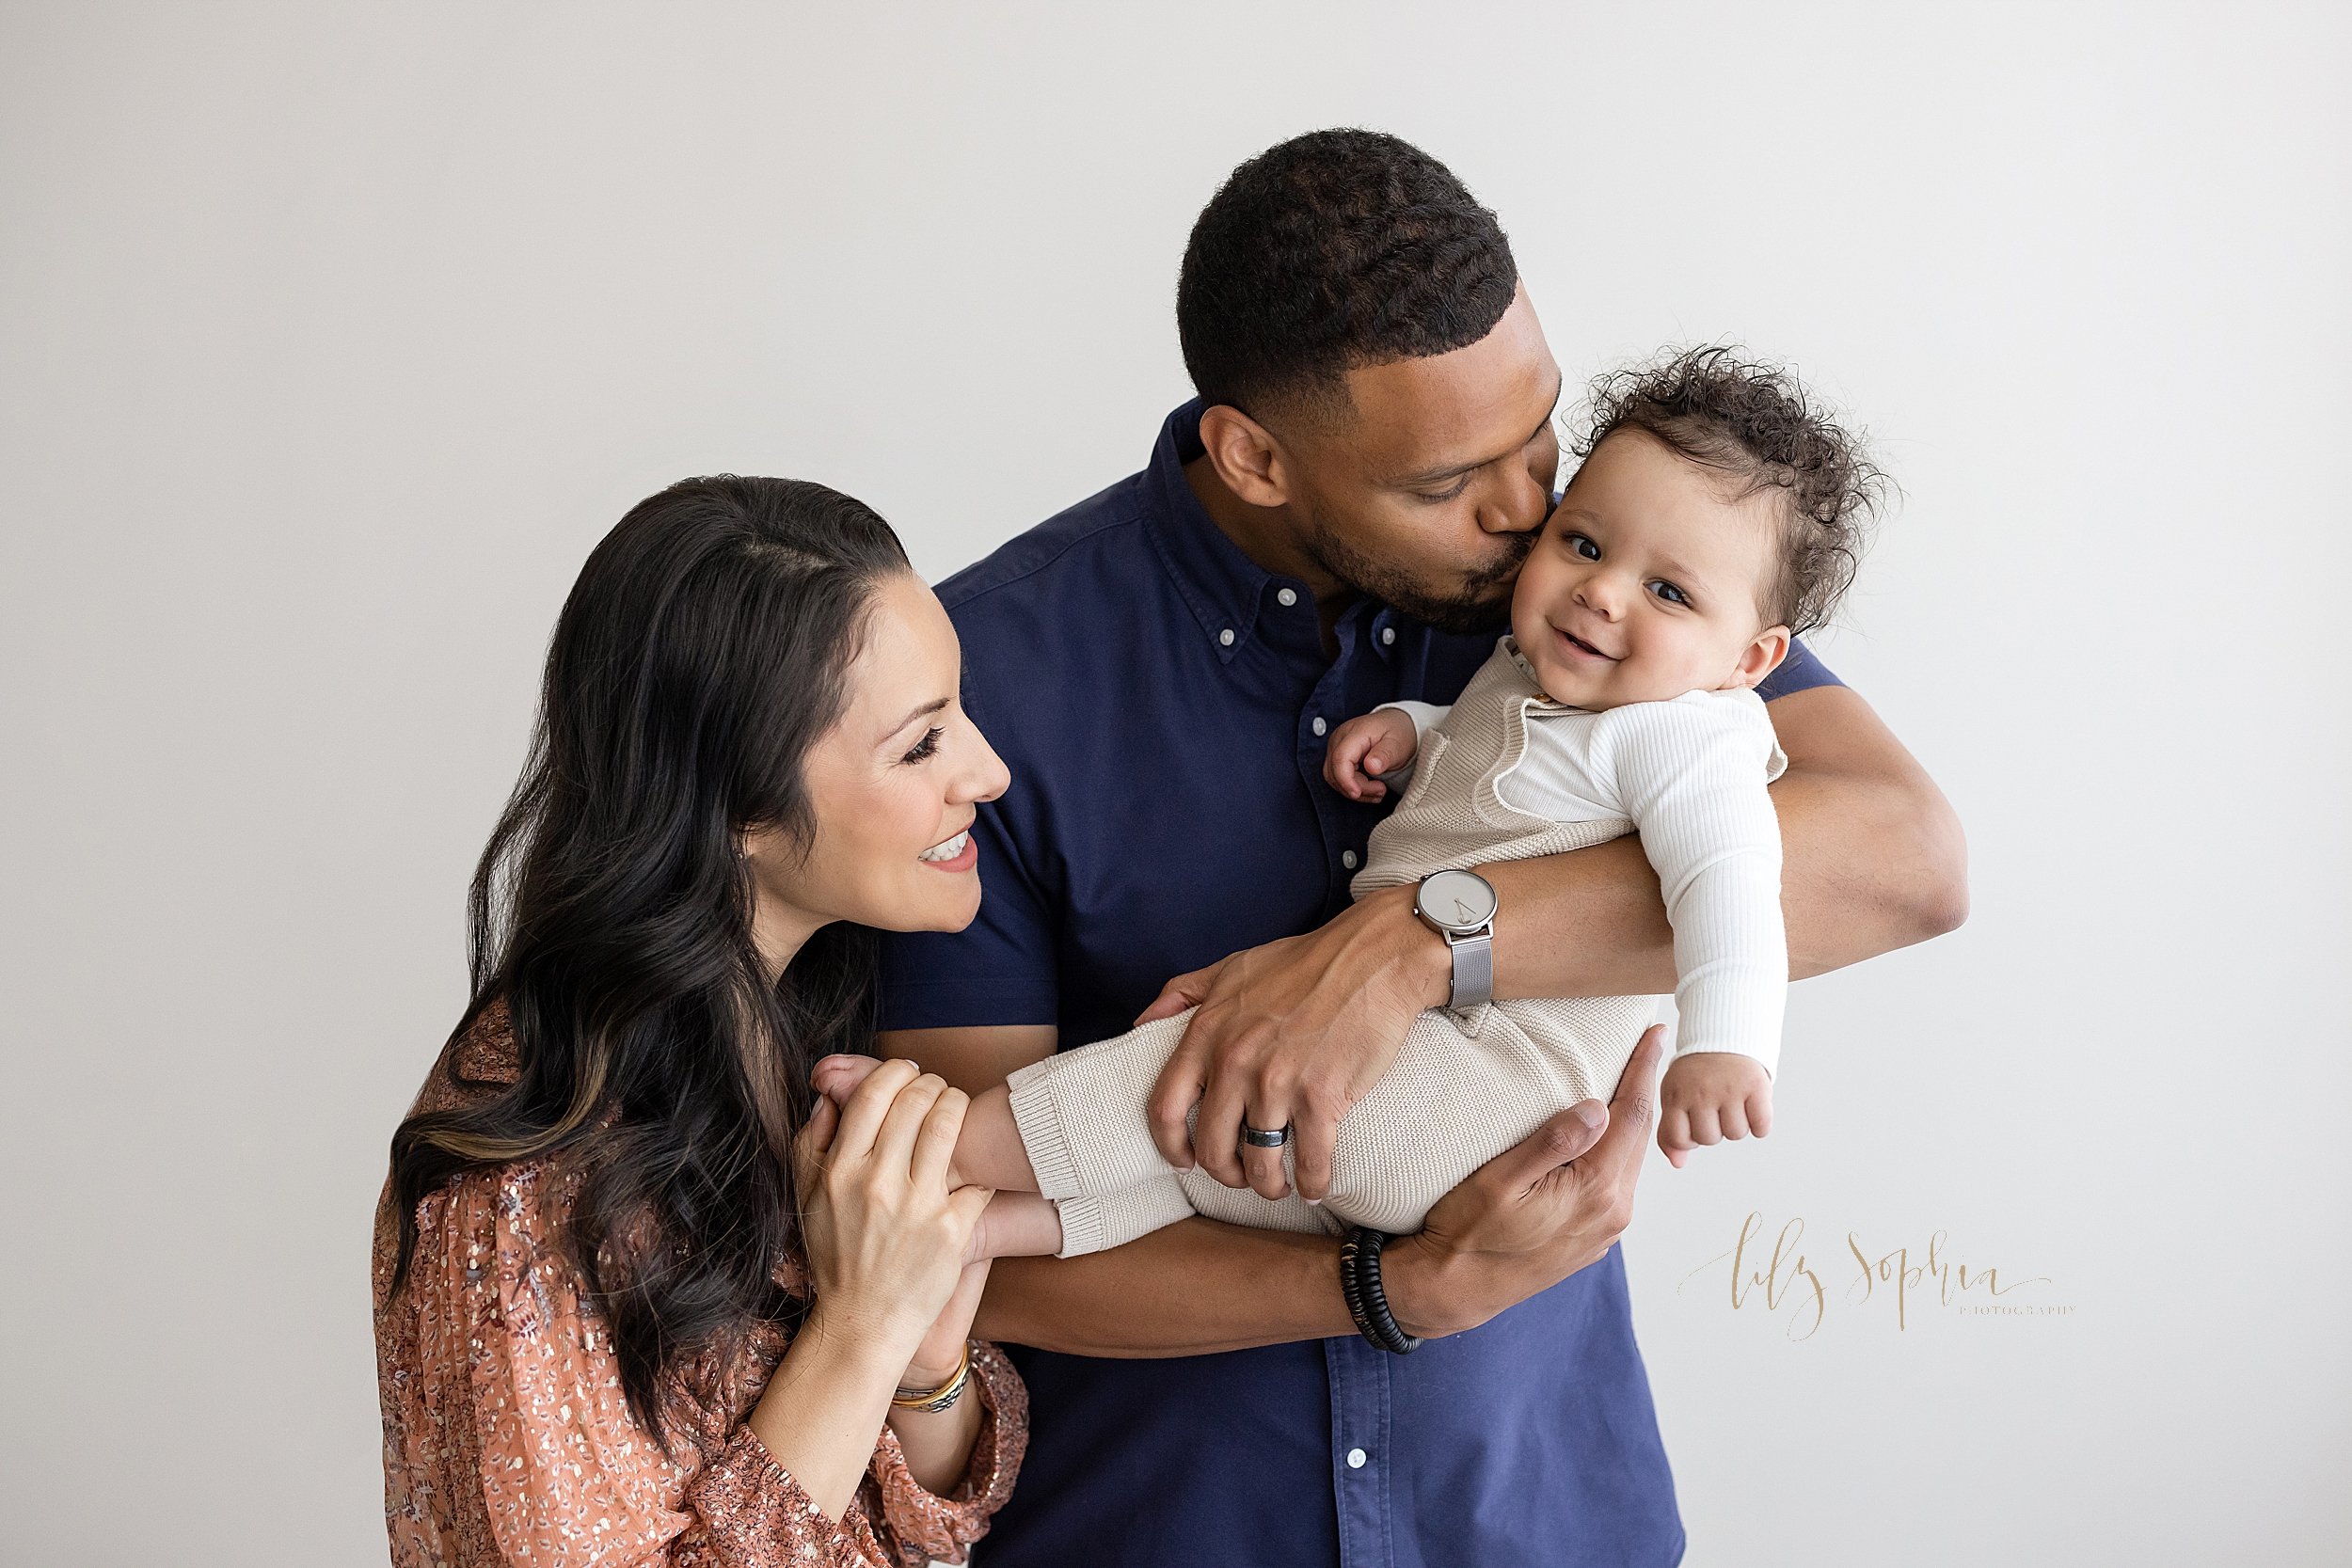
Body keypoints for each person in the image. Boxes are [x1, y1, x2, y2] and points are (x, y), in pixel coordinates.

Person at [873, 131, 1966, 1565]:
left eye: (1541, 438)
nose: (1528, 515)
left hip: (1541, 1515)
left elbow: (1903, 859)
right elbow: (956, 1251)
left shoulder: (1617, 582)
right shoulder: (986, 682)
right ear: (1255, 455)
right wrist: (1392, 1285)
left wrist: (1412, 942)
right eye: (1457, 479)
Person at [820, 343, 1878, 1255]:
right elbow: (1511, 758)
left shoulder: (1683, 732)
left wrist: (1727, 1043)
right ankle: (1000, 1225)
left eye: (1667, 590)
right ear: (1256, 457)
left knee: (1187, 1077)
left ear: (1753, 657)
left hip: (1488, 1084)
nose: (1597, 587)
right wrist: (1416, 731)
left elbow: (1732, 874)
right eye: (1586, 545)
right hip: (1425, 1091)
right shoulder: (1552, 664)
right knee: (1210, 1157)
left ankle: (947, 1148)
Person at [373, 477, 1033, 1567]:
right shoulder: (519, 1187)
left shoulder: (800, 1032)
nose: (989, 771)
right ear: (737, 808)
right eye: (920, 745)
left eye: (958, 713)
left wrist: (925, 1357)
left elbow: (920, 1519)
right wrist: (859, 1324)